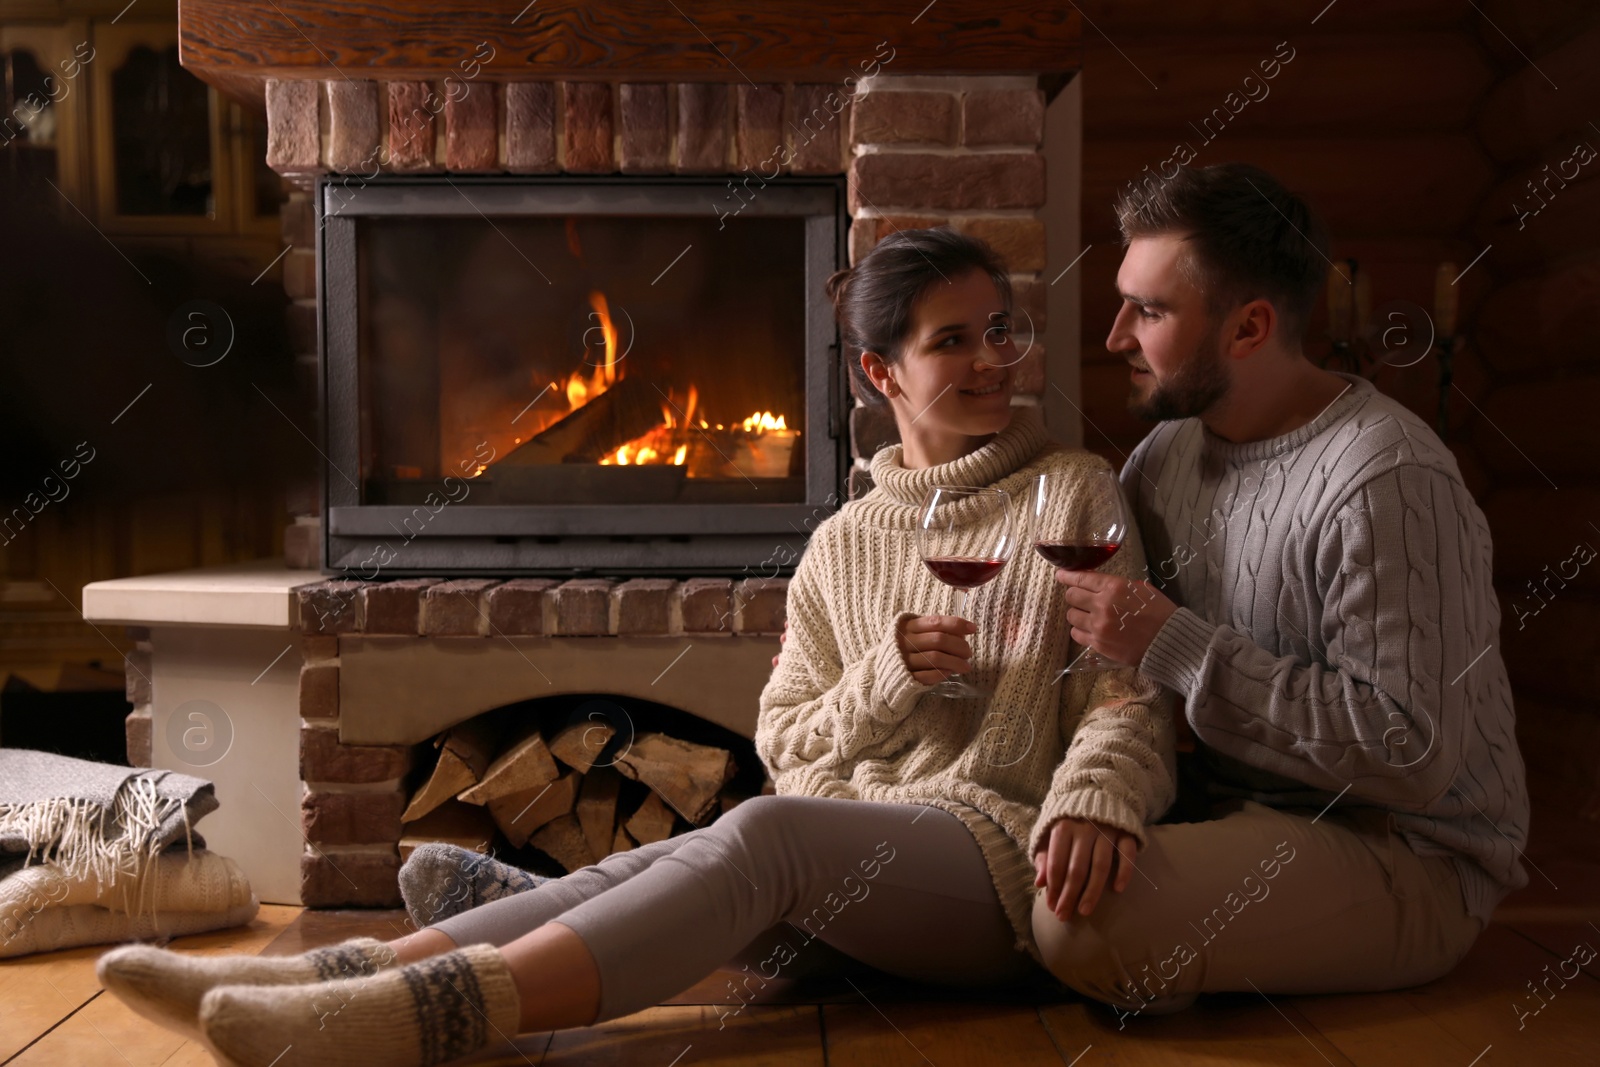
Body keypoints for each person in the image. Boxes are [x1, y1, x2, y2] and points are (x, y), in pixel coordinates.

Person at [93, 229, 1177, 1067]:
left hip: (995, 860)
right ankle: (349, 972)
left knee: (760, 836)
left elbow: (1127, 698)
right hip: (860, 857)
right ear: (879, 373)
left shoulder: (1070, 492)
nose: (992, 360)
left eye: (1001, 331)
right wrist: (888, 679)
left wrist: (1094, 796)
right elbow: (791, 742)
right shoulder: (843, 543)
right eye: (953, 340)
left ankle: (432, 1014)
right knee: (682, 850)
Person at [1036, 162, 1529, 1020]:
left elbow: (1411, 753)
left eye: (1148, 310)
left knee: (1077, 923)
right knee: (1020, 853)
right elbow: (1121, 655)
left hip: (1404, 851)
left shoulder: (1388, 478)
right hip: (1238, 810)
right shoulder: (1165, 457)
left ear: (1250, 326)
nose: (1115, 334)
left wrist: (1179, 644)